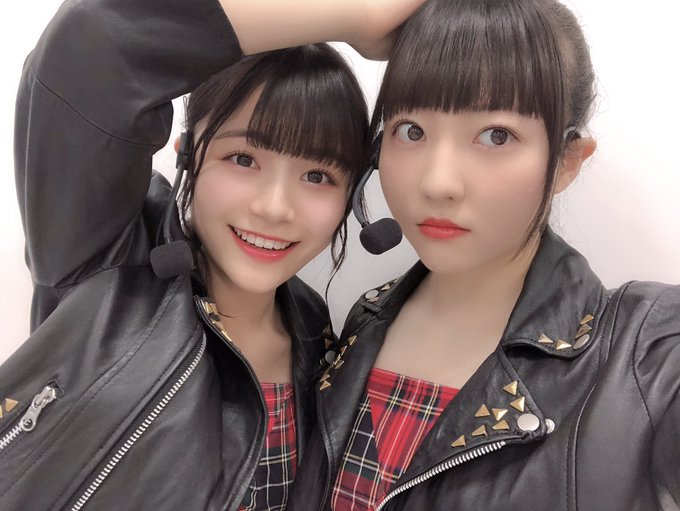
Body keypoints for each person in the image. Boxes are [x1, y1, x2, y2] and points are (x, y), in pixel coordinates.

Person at [0, 0, 425, 508]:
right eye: (242, 158)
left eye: (317, 175)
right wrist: (355, 17)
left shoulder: (317, 335)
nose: (274, 207)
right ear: (188, 155)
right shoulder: (106, 262)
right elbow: (96, 42)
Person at [289, 0, 680, 509]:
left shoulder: (645, 355)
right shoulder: (360, 324)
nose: (438, 183)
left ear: (566, 161)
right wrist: (348, 16)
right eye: (411, 131)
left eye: (496, 136)